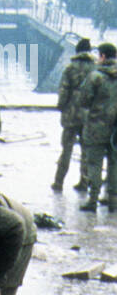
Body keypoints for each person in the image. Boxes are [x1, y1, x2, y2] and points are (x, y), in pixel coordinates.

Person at [52, 38, 96, 192]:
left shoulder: (70, 68)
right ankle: (84, 182)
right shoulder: (95, 69)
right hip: (88, 116)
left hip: (71, 115)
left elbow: (63, 90)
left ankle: (59, 182)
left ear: (77, 51)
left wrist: (61, 106)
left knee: (66, 149)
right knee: (86, 150)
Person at [79, 42, 117, 212]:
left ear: (102, 56)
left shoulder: (95, 76)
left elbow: (84, 100)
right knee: (114, 164)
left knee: (94, 163)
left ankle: (93, 199)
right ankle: (113, 200)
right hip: (116, 129)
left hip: (96, 127)